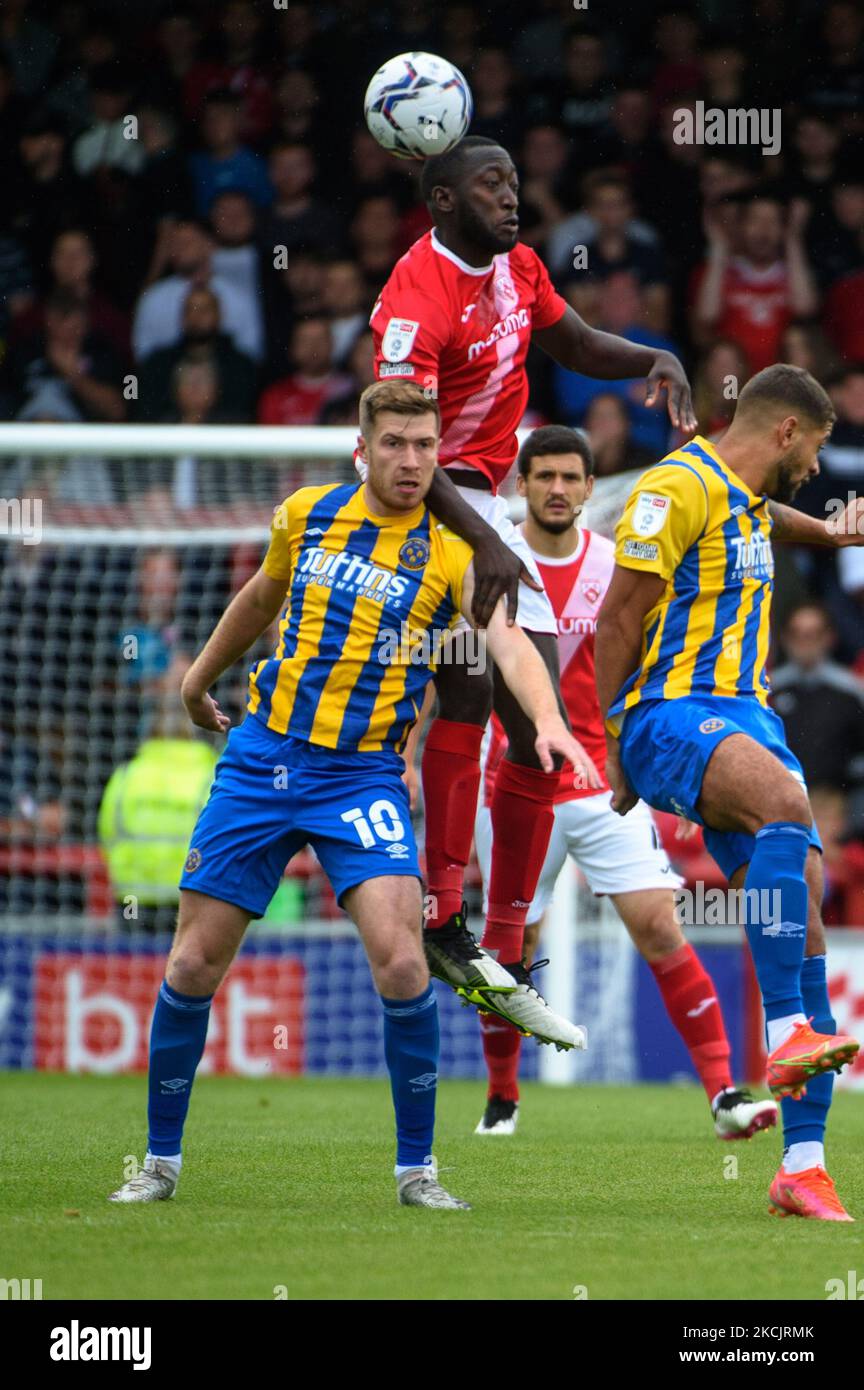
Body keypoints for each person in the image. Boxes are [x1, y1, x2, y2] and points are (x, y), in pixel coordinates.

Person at [107, 381, 592, 1211]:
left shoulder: (451, 547)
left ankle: (418, 1172)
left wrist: (548, 720)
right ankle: (158, 1162)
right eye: (395, 444)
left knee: (405, 961)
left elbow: (508, 642)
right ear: (362, 449)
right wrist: (197, 680)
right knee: (192, 960)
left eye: (425, 445)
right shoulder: (306, 513)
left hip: (362, 773)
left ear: (441, 453)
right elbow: (262, 596)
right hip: (263, 758)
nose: (411, 460)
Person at [369, 135, 694, 1049]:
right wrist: (484, 537)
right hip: (410, 496)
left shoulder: (517, 266)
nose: (512, 197)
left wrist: (650, 359)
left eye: (513, 181)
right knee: (469, 685)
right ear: (439, 201)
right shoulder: (415, 295)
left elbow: (575, 339)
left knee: (521, 705)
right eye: (489, 184)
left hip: (481, 500)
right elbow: (403, 441)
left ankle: (483, 935)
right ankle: (447, 916)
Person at [595, 364, 864, 1221]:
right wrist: (614, 745)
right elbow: (617, 617)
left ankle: (804, 1167)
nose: (819, 469)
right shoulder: (675, 486)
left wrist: (830, 535)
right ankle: (788, 1034)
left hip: (744, 717)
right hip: (670, 714)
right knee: (791, 806)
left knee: (807, 916)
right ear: (785, 432)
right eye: (817, 449)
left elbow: (764, 516)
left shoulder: (738, 495)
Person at [470, 426, 778, 1142]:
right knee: (511, 945)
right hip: (512, 780)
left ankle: (724, 1094)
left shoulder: (618, 564)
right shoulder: (493, 565)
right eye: (542, 476)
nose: (555, 489)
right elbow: (457, 669)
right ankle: (502, 1097)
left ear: (589, 487)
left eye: (569, 477)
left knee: (659, 925)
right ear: (521, 486)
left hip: (601, 781)